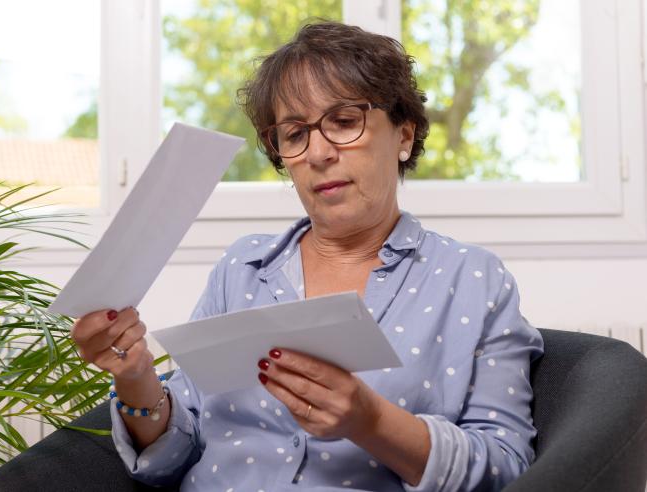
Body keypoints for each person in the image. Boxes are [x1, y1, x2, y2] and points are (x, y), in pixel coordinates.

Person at [71, 21, 544, 491]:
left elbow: (507, 469)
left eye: (343, 121)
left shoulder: (473, 280)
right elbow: (174, 455)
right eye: (295, 134)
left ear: (404, 134)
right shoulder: (242, 269)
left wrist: (371, 420)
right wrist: (136, 378)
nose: (317, 152)